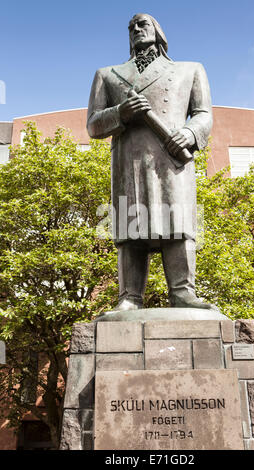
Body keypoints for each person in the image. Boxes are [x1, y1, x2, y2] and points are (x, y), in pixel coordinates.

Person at [87, 13, 213, 311]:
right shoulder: (108, 75)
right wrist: (121, 112)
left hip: (172, 160)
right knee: (130, 226)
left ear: (158, 31)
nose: (135, 29)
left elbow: (203, 113)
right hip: (128, 161)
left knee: (177, 223)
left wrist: (189, 133)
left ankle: (183, 292)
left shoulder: (189, 69)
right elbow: (93, 125)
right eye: (130, 27)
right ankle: (129, 297)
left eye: (142, 24)